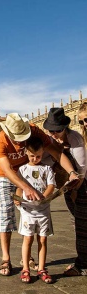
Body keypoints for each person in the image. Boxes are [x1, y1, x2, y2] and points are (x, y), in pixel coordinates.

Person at [0, 113, 79, 276]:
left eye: (21, 137)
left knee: (30, 216)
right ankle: (6, 258)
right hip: (6, 176)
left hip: (28, 172)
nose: (19, 141)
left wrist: (72, 172)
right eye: (16, 138)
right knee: (6, 213)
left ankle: (28, 257)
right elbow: (7, 170)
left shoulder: (34, 131)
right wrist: (26, 188)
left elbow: (57, 154)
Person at [43, 107, 87, 276]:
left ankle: (82, 265)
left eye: (58, 130)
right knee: (76, 223)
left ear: (65, 127)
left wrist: (76, 189)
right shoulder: (50, 139)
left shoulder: (74, 137)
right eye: (51, 130)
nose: (54, 133)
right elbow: (45, 159)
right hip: (68, 187)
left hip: (81, 185)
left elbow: (81, 169)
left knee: (82, 226)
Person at [15, 137, 55, 283]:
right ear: (26, 153)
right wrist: (17, 198)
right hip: (27, 210)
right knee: (28, 238)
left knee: (42, 240)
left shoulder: (47, 169)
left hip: (43, 210)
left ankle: (42, 268)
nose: (35, 158)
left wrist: (43, 197)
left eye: (38, 156)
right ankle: (25, 268)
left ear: (43, 153)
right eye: (32, 155)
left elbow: (51, 185)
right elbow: (19, 186)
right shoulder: (23, 169)